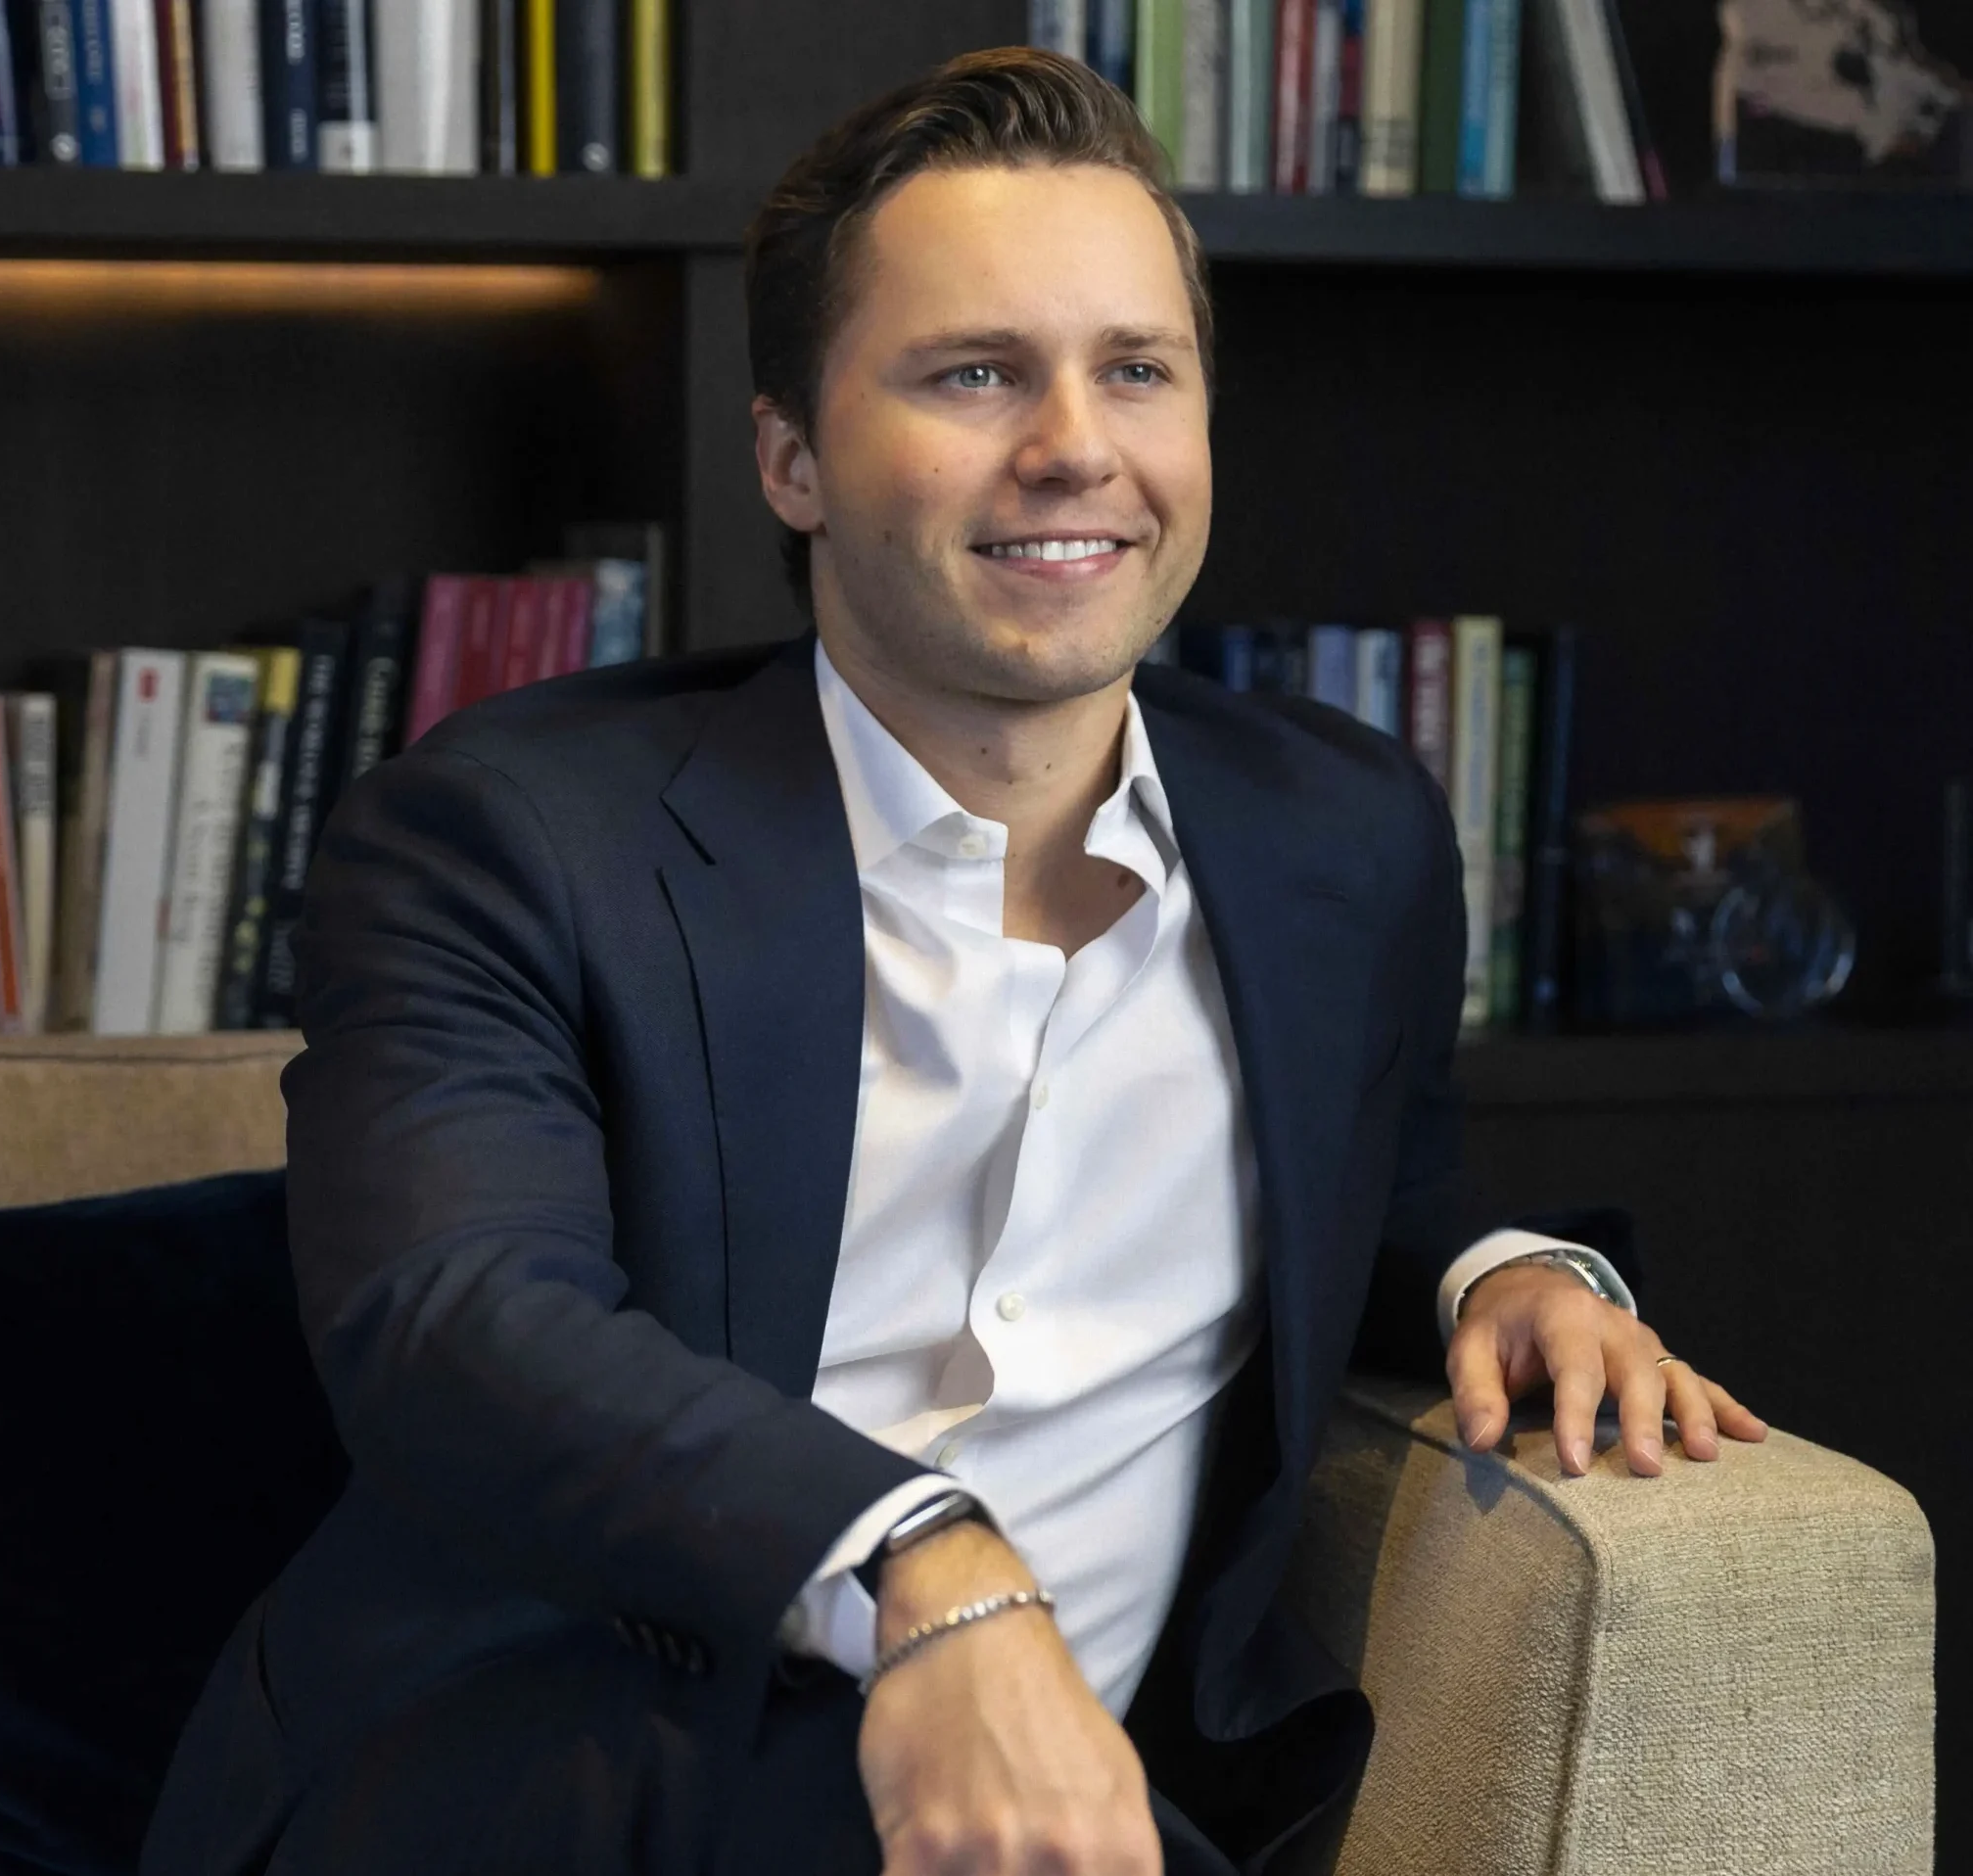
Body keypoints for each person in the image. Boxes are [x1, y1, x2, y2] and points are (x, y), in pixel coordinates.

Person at [140, 47, 1767, 1876]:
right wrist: (930, 1568)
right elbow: (461, 1324)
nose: (1074, 444)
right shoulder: (511, 833)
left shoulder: (1347, 838)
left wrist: (1507, 1275)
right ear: (793, 459)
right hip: (548, 1768)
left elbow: (1371, 1187)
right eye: (975, 372)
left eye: (1136, 369)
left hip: (1082, 1813)